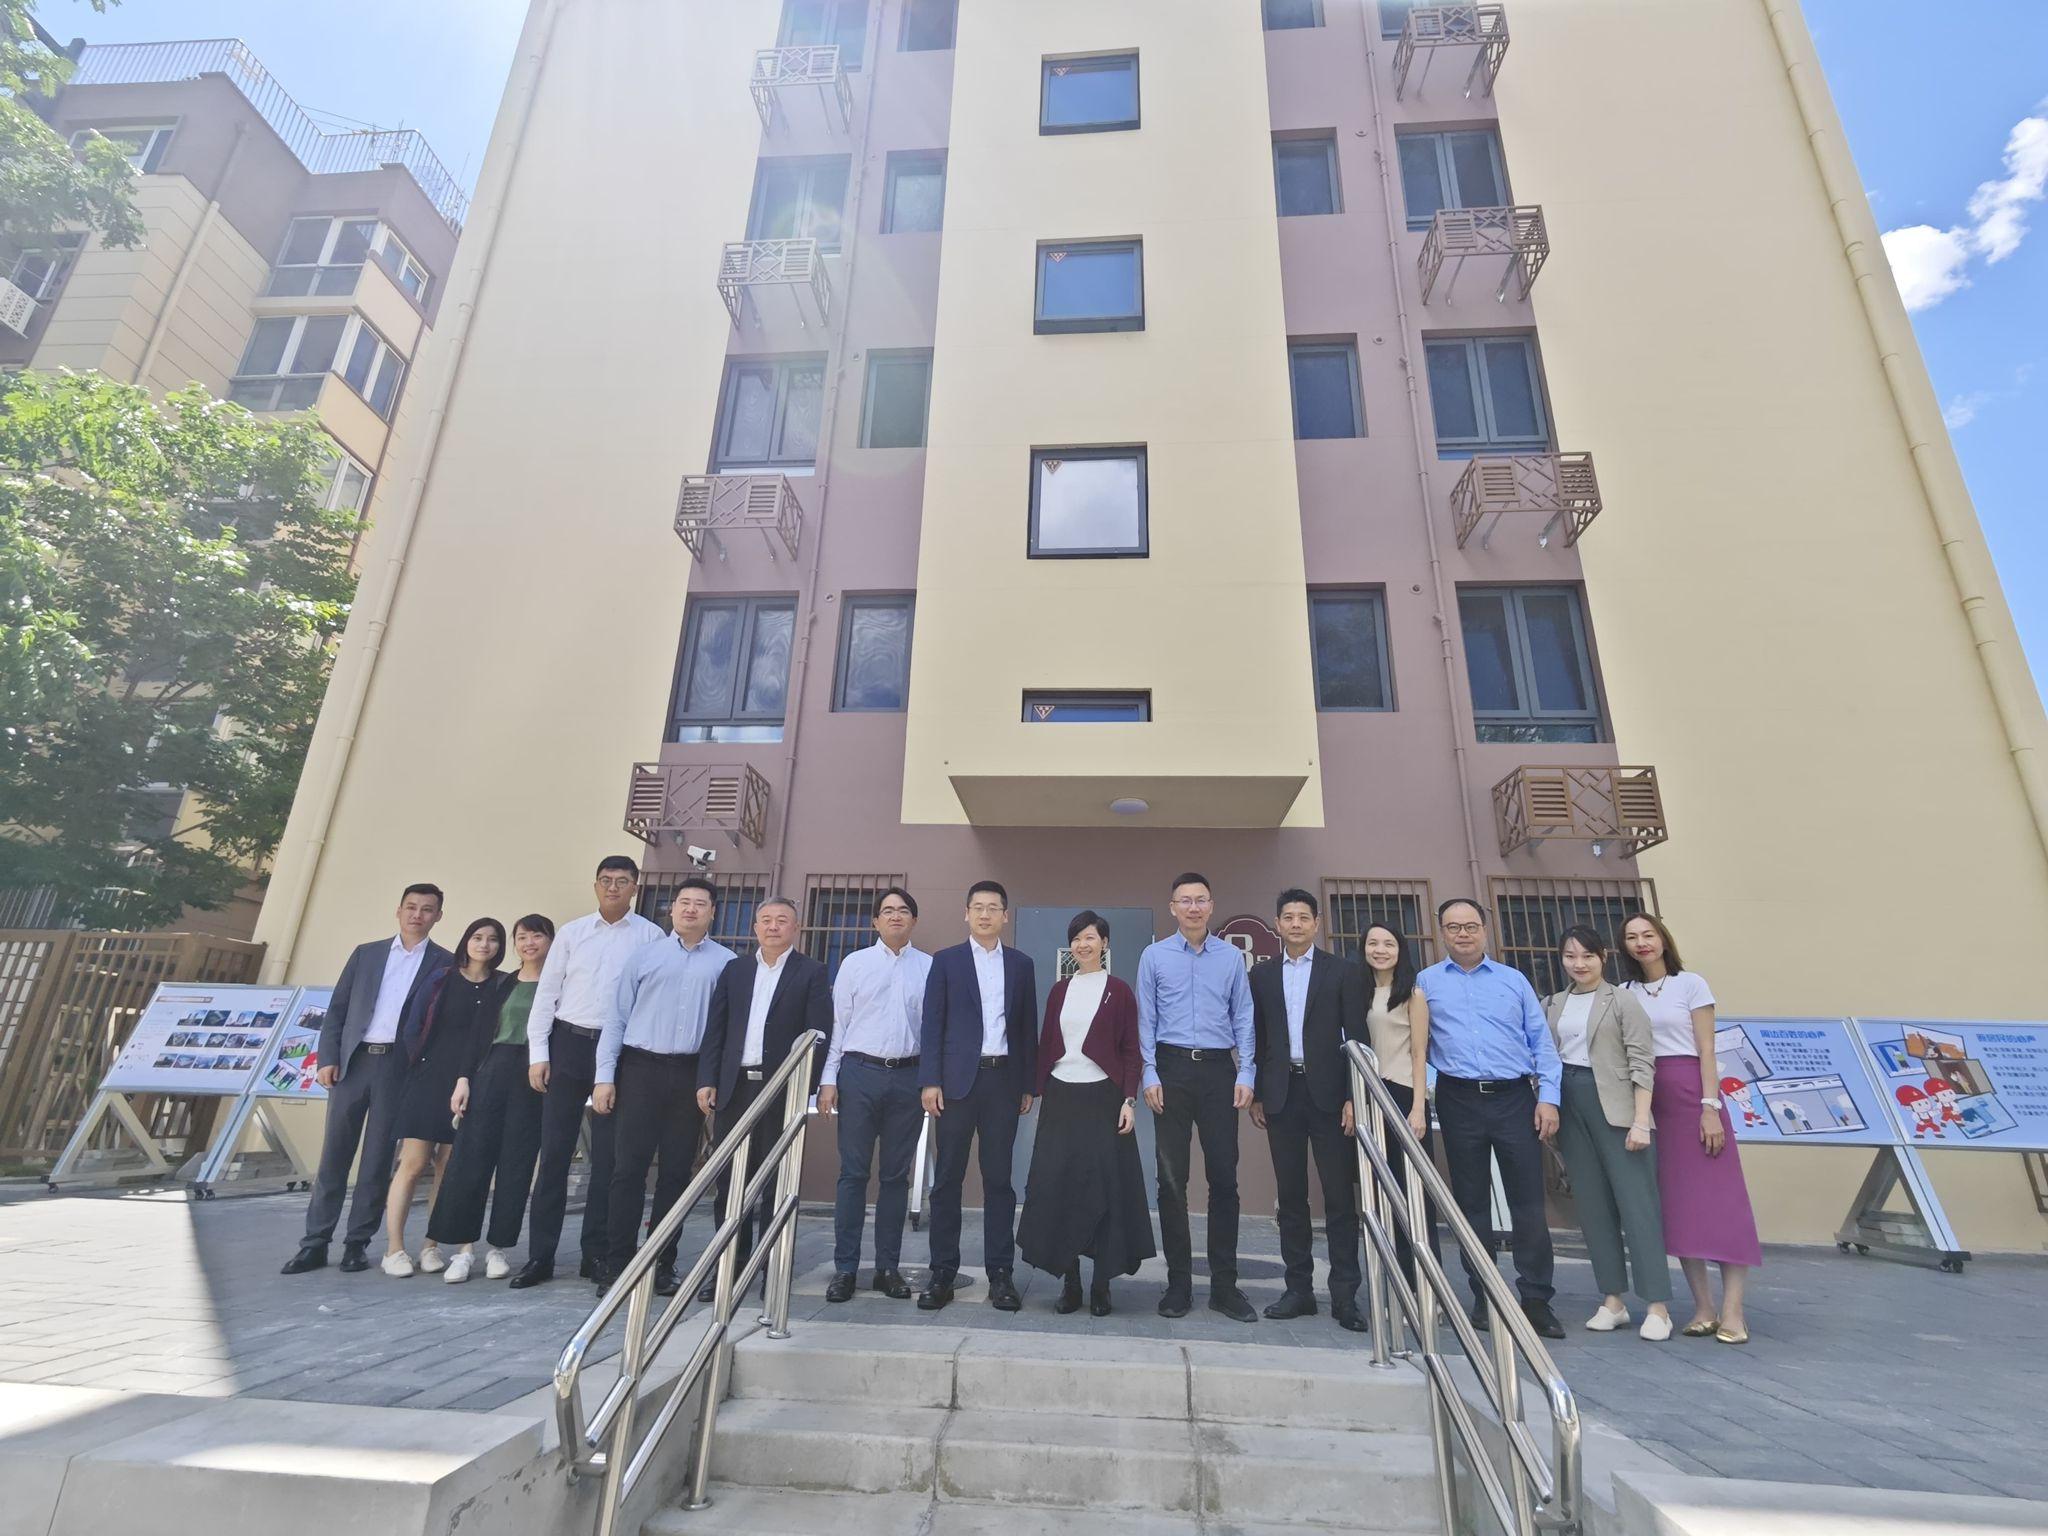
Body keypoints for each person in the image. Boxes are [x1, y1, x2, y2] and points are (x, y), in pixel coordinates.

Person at [283, 884, 451, 1275]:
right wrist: (328, 1058)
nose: (417, 915)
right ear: (398, 910)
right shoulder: (367, 954)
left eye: (427, 910)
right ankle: (314, 1243)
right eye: (411, 907)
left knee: (377, 1160)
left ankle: (357, 1243)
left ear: (438, 916)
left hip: (399, 1068)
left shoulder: (443, 963)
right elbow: (337, 1009)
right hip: (354, 1064)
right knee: (334, 1156)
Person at [1418, 898, 1564, 1339]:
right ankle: (1484, 1294)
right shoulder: (1426, 982)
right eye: (1453, 927)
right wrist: (1425, 1089)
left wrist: (1549, 1098)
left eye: (1471, 926)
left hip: (1515, 1097)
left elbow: (1541, 1043)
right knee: (1471, 1204)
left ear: (1484, 929)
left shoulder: (1513, 981)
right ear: (1441, 932)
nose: (1463, 934)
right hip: (1458, 1098)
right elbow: (1418, 1044)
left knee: (1527, 1203)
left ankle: (1536, 1298)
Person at [516, 856, 664, 1289]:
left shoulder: (651, 937)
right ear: (595, 885)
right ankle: (540, 1255)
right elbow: (548, 993)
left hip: (618, 1051)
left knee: (609, 1159)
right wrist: (538, 1053)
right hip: (568, 1044)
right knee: (555, 1153)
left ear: (635, 887)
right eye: (605, 881)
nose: (613, 888)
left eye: (622, 881)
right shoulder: (572, 933)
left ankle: (595, 1254)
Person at [1621, 912, 1760, 1345]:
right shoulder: (1624, 993)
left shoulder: (1690, 984)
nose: (1641, 943)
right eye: (1631, 937)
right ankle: (1703, 1307)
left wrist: (1710, 1107)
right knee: (1678, 1206)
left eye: (1648, 934)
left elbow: (1706, 1048)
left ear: (1663, 939)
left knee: (1723, 1202)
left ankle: (1734, 1310)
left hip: (1693, 1095)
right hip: (1648, 1099)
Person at [592, 878, 734, 1297]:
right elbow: (615, 1019)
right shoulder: (644, 957)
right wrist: (605, 1076)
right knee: (627, 1170)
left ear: (712, 913)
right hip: (640, 1070)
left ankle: (662, 1264)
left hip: (691, 1076)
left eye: (700, 904)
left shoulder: (726, 964)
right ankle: (618, 1265)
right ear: (672, 910)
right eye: (684, 903)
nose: (691, 909)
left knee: (676, 1174)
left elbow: (725, 1030)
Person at [695, 897, 832, 1304]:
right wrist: (707, 1079)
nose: (773, 927)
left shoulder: (812, 972)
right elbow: (715, 1030)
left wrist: (804, 1085)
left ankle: (773, 1264)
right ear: (755, 927)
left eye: (782, 920)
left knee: (776, 1180)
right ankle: (728, 1267)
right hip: (735, 1087)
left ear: (796, 927)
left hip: (781, 1090)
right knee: (730, 1182)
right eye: (766, 920)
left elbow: (819, 1035)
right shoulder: (735, 970)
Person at [1016, 911, 1153, 1316]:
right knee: (1060, 1188)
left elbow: (1132, 1050)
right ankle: (1070, 1282)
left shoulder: (1119, 991)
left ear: (1105, 944)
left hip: (1104, 1099)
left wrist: (1129, 1099)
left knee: (1105, 1190)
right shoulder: (1060, 990)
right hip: (1062, 1096)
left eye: (1091, 937)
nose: (1083, 944)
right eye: (1077, 938)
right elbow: (1046, 1044)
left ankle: (1102, 1285)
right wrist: (1036, 1093)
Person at [1137, 872, 1257, 1324]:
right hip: (1170, 1069)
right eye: (1184, 900)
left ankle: (1225, 1287)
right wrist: (1149, 1072)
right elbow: (1145, 1018)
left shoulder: (1230, 957)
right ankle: (1179, 1284)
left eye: (1200, 900)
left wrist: (1246, 1070)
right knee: (1171, 1181)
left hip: (1218, 1073)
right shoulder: (1154, 956)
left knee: (1224, 1178)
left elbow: (1243, 1015)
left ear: (1211, 906)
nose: (1192, 907)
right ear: (1172, 907)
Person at [1542, 926, 1672, 1340]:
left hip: (1617, 1108)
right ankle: (1613, 1300)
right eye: (1569, 956)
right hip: (1570, 1102)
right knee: (1593, 1207)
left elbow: (1642, 1062)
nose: (1578, 964)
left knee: (1638, 1207)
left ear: (1603, 958)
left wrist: (1640, 1120)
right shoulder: (1553, 1004)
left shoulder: (1623, 1000)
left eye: (1587, 956)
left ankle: (1657, 1306)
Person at [916, 880, 1038, 1313]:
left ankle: (1000, 1275)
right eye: (978, 907)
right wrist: (930, 1080)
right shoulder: (946, 962)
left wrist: (1028, 1084)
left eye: (993, 908)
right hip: (954, 1085)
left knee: (999, 1181)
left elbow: (1026, 1028)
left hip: (1003, 1083)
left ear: (1005, 915)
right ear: (966, 914)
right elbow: (932, 1024)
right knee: (947, 1179)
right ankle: (942, 1272)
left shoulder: (1021, 965)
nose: (985, 915)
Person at [1249, 889, 1367, 1332]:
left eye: (1304, 917)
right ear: (1277, 924)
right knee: (1292, 1197)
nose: (1296, 924)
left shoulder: (1343, 972)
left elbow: (1357, 1038)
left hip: (1331, 1097)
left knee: (1338, 1198)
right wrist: (1259, 1093)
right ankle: (1298, 1289)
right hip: (1282, 1096)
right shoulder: (1261, 977)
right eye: (1288, 917)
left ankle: (1345, 1295)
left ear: (1317, 923)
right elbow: (1258, 1039)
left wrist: (1355, 1095)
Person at [817, 887, 931, 1304]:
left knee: (895, 1177)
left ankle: (888, 1267)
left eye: (904, 910)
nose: (895, 916)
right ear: (875, 922)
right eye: (887, 911)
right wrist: (828, 1079)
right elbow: (838, 1026)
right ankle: (845, 1269)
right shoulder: (854, 964)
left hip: (908, 1077)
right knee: (853, 1175)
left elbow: (933, 1033)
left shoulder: (929, 968)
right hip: (858, 1074)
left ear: (914, 921)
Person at [428, 914, 555, 1284]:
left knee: (516, 1161)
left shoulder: (558, 985)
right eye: (522, 937)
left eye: (537, 936)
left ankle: (499, 1247)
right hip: (492, 1070)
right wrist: (464, 1078)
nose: (529, 943)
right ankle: (463, 1249)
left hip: (533, 1075)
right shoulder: (503, 984)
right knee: (470, 1157)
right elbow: (478, 1034)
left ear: (551, 940)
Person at [383, 917, 512, 1277]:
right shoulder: (441, 978)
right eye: (477, 937)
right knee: (413, 1162)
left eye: (492, 940)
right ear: (465, 941)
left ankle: (431, 1245)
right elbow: (412, 1027)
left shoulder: (500, 986)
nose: (484, 945)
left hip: (473, 1081)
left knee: (450, 1165)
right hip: (429, 1078)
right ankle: (394, 1248)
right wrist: (417, 1066)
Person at [1361, 919, 1439, 1286]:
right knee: (1381, 1193)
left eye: (1388, 943)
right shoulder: (1358, 991)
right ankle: (1395, 1284)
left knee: (1414, 1195)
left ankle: (1426, 1284)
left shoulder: (1412, 994)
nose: (1380, 950)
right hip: (1368, 1095)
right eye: (1373, 943)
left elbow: (1420, 1053)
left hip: (1404, 1094)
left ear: (1400, 950)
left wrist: (1419, 1107)